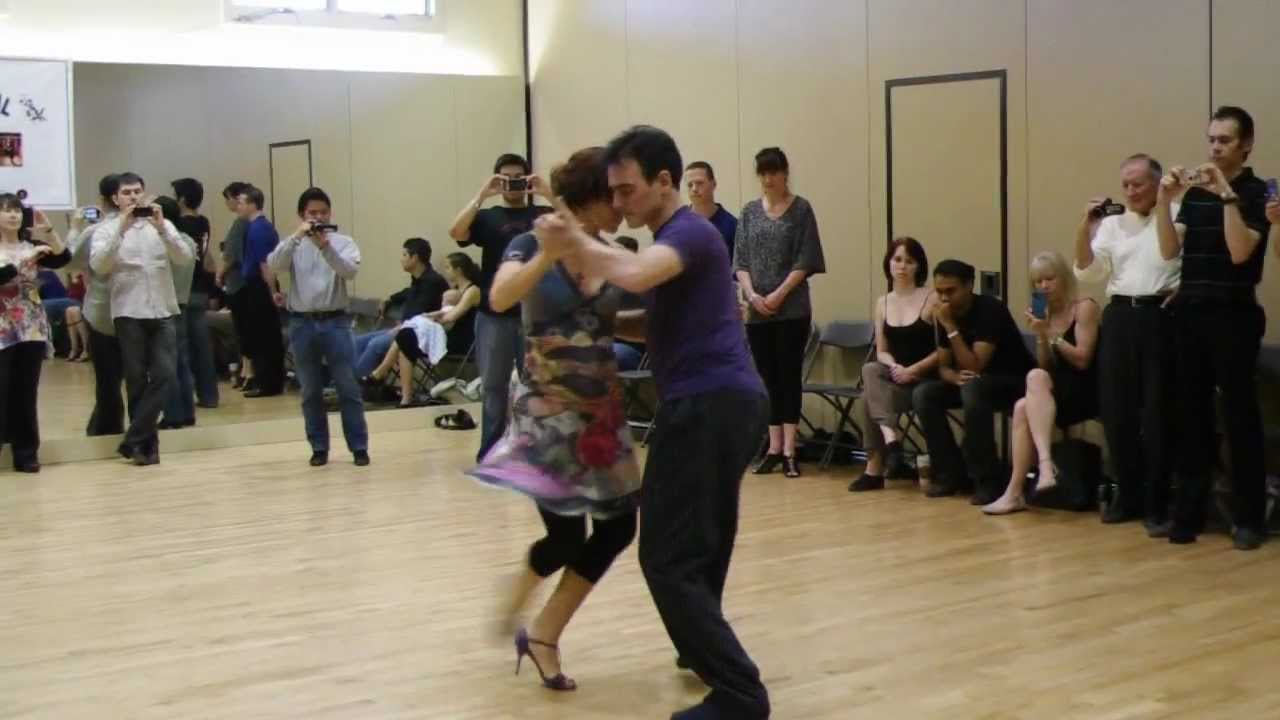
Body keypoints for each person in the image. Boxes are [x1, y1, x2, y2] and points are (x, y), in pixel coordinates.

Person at [546, 125, 771, 720]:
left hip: (707, 405)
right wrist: (601, 322)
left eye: (625, 191)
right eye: (612, 193)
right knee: (701, 545)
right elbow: (654, 323)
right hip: (727, 403)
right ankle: (709, 661)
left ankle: (739, 694)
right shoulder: (673, 242)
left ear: (664, 182)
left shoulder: (687, 233)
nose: (617, 204)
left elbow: (640, 275)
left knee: (665, 557)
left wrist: (573, 239)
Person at [469, 146, 641, 693]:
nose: (619, 203)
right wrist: (548, 253)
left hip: (602, 419)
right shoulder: (529, 241)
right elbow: (500, 297)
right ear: (590, 196)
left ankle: (543, 631)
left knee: (617, 528)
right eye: (612, 193)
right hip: (551, 417)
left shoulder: (609, 250)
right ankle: (524, 605)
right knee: (566, 538)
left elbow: (611, 324)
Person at [1154, 106, 1272, 550]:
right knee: (1191, 415)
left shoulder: (1257, 192)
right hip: (1191, 312)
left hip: (1234, 314)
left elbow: (1241, 252)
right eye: (1211, 139)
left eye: (1224, 140)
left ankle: (1249, 519)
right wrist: (1166, 201)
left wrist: (1226, 194)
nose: (1215, 148)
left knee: (1240, 415)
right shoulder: (1197, 195)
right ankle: (1188, 514)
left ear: (1245, 145)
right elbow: (1168, 250)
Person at [1073, 154, 1180, 531]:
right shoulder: (1113, 224)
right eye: (1126, 185)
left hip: (1158, 316)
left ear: (1157, 182)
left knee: (1156, 413)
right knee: (1117, 412)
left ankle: (1157, 503)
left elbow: (1176, 258)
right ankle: (1127, 495)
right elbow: (1089, 272)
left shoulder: (1176, 211)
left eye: (1139, 184)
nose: (1131, 191)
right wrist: (1084, 227)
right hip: (1119, 315)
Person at [449, 153, 554, 461]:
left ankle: (535, 452)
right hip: (493, 315)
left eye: (518, 177)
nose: (513, 184)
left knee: (535, 387)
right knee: (493, 388)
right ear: (498, 179)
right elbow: (456, 232)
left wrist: (547, 192)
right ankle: (491, 453)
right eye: (506, 178)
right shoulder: (488, 216)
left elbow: (576, 226)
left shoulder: (543, 213)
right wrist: (482, 194)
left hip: (535, 314)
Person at [983, 251, 1100, 515]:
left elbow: (1082, 360)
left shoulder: (1084, 307)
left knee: (1031, 388)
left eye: (1050, 279)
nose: (1044, 286)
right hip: (1052, 390)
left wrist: (1051, 333)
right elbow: (1045, 366)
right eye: (1038, 281)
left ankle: (1040, 471)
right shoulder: (1042, 310)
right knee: (1026, 399)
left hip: (1085, 389)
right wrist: (1040, 335)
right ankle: (1022, 487)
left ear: (1064, 278)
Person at [734, 147, 826, 478]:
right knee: (765, 377)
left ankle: (790, 448)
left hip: (792, 309)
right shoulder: (748, 212)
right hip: (757, 310)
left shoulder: (801, 210)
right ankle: (772, 447)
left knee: (788, 376)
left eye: (774, 172)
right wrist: (754, 295)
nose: (768, 179)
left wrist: (778, 294)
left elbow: (806, 259)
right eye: (763, 173)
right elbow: (740, 261)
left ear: (785, 173)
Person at [912, 259, 1036, 505]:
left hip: (1012, 381)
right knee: (924, 394)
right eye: (939, 291)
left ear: (969, 286)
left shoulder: (990, 310)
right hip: (973, 382)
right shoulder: (943, 312)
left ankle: (987, 479)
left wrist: (950, 327)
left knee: (974, 389)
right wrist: (952, 377)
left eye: (951, 291)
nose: (945, 298)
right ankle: (949, 473)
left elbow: (975, 364)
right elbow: (945, 367)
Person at [89, 172, 193, 465]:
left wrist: (163, 229)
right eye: (127, 193)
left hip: (162, 309)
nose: (133, 197)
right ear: (116, 198)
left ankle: (133, 438)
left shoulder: (162, 225)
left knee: (165, 374)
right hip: (128, 311)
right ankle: (145, 448)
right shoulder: (106, 230)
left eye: (137, 191)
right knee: (135, 381)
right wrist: (121, 227)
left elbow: (184, 257)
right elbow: (100, 265)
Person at [267, 187, 369, 467]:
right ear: (302, 215)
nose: (319, 217)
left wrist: (326, 246)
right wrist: (298, 235)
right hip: (302, 322)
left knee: (348, 387)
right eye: (313, 213)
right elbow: (274, 263)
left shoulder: (344, 242)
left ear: (330, 213)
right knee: (310, 390)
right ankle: (319, 447)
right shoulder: (295, 243)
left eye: (323, 212)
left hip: (336, 321)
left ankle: (359, 447)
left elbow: (349, 271)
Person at [850, 237, 938, 492]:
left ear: (919, 267)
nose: (902, 266)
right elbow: (882, 351)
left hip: (924, 378)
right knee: (870, 370)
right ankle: (891, 440)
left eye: (909, 261)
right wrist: (897, 368)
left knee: (867, 397)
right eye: (897, 260)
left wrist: (913, 370)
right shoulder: (883, 302)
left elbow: (943, 352)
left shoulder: (930, 298)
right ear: (888, 264)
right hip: (896, 377)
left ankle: (875, 469)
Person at [0, 194, 69, 472]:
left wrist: (50, 231)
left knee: (26, 391)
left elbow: (63, 258)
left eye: (16, 210)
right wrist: (24, 261)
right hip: (3, 326)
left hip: (31, 325)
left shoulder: (34, 245)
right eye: (5, 210)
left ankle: (26, 452)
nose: (12, 215)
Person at [68, 175, 126, 436]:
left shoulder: (95, 231)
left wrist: (74, 227)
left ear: (104, 199)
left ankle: (107, 428)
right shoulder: (145, 227)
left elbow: (69, 261)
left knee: (107, 378)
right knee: (128, 377)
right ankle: (111, 426)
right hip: (135, 311)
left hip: (103, 312)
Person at [353, 237, 447, 380]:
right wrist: (389, 299)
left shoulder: (433, 282)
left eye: (404, 255)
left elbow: (419, 312)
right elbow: (407, 292)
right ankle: (346, 383)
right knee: (357, 341)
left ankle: (357, 386)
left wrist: (402, 325)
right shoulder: (419, 280)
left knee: (375, 344)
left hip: (419, 334)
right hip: (404, 329)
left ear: (414, 258)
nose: (401, 259)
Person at [171, 178, 219, 409]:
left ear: (181, 198)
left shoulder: (177, 224)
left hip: (182, 289)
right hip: (201, 288)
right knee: (202, 345)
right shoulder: (204, 222)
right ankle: (209, 396)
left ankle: (184, 397)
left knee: (181, 346)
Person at [233, 185, 285, 397]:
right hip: (257, 285)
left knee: (265, 337)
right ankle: (266, 381)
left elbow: (266, 264)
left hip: (261, 286)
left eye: (242, 202)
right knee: (262, 335)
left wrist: (272, 290)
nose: (238, 207)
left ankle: (268, 383)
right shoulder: (256, 227)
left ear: (253, 204)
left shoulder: (259, 229)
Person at [155, 196, 200, 429]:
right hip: (184, 301)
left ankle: (173, 414)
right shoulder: (189, 242)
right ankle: (187, 412)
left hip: (165, 305)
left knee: (167, 364)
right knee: (182, 362)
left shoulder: (165, 244)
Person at [216, 181, 254, 390]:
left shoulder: (241, 223)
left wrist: (220, 273)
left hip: (238, 283)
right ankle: (244, 370)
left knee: (243, 329)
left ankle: (248, 371)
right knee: (243, 329)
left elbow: (231, 254)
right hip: (240, 282)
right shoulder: (247, 223)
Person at [427, 251, 481, 356]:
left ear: (458, 270)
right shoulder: (454, 290)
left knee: (407, 341)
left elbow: (451, 316)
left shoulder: (472, 290)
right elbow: (443, 312)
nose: (445, 271)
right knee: (406, 338)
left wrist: (429, 320)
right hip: (450, 334)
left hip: (464, 339)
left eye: (447, 267)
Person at [686, 161, 737, 261]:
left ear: (713, 184)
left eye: (699, 183)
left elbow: (737, 269)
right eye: (690, 185)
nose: (694, 189)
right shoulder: (677, 224)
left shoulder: (732, 226)